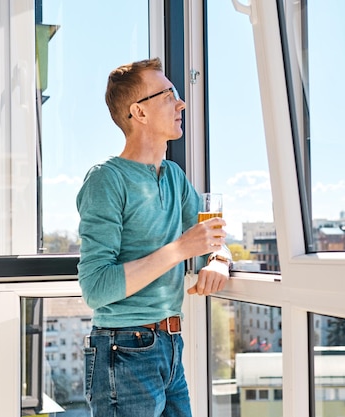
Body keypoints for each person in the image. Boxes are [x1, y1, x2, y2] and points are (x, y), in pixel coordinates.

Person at [76, 57, 232, 417]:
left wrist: (219, 259)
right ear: (139, 113)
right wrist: (181, 249)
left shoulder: (174, 176)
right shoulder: (106, 180)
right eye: (168, 95)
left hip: (169, 344)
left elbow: (212, 236)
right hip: (124, 351)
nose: (181, 103)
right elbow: (96, 288)